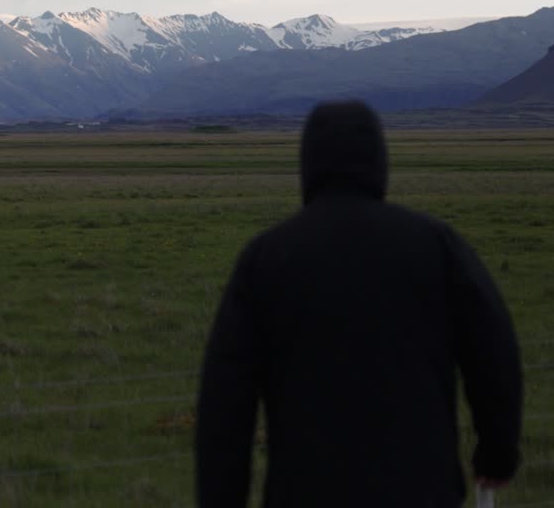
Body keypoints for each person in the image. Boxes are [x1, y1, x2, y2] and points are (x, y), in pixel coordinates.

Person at [195, 100, 522, 507]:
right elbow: (493, 351)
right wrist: (497, 452)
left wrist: (221, 497)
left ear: (308, 164)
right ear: (380, 161)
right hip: (422, 488)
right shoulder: (435, 246)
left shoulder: (267, 258)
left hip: (306, 491)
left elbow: (226, 400)